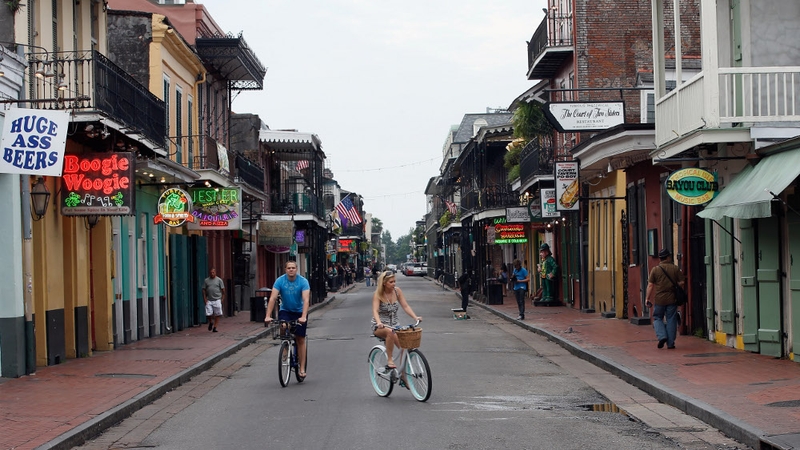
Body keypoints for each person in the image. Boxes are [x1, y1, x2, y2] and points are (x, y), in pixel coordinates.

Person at [265, 260, 310, 379]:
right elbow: (273, 298)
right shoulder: (280, 281)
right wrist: (268, 315)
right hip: (285, 310)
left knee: (300, 339)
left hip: (299, 311)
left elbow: (306, 300)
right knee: (283, 325)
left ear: (296, 269)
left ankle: (301, 368)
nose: (291, 270)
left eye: (293, 268)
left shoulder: (303, 281)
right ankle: (285, 347)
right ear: (285, 270)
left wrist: (304, 316)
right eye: (289, 268)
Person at [371, 270, 422, 371]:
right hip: (380, 326)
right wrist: (379, 322)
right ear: (384, 283)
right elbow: (375, 311)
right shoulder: (378, 294)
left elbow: (405, 306)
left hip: (395, 325)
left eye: (394, 281)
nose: (394, 284)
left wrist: (415, 317)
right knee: (390, 332)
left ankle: (402, 375)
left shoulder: (397, 291)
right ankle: (390, 360)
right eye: (391, 282)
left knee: (404, 346)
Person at [646, 248, 685, 349]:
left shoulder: (655, 270)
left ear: (660, 258)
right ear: (668, 257)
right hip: (672, 299)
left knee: (657, 318)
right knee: (671, 319)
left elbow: (650, 285)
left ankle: (662, 336)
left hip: (659, 299)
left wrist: (647, 298)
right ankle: (671, 343)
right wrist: (676, 284)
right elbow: (682, 282)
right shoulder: (675, 268)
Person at [203, 268, 225, 332]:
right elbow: (204, 290)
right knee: (208, 313)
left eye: (213, 272)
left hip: (217, 299)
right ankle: (210, 322)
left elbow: (223, 290)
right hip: (209, 299)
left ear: (215, 273)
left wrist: (222, 298)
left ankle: (215, 327)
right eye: (211, 273)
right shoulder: (206, 280)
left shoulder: (219, 280)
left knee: (217, 313)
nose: (212, 274)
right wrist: (204, 298)